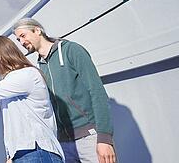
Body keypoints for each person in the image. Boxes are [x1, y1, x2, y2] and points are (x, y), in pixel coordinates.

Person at [13, 17, 116, 163]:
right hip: (63, 144)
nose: (22, 42)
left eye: (23, 36)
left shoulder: (71, 50)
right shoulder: (38, 67)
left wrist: (104, 138)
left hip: (89, 138)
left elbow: (97, 92)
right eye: (18, 40)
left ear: (37, 30)